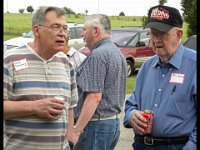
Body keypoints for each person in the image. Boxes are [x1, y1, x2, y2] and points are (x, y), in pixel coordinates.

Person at [3, 6, 78, 150]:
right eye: (56, 27)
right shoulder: (10, 59)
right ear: (36, 30)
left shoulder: (66, 62)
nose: (63, 34)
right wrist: (34, 107)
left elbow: (70, 106)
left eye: (65, 28)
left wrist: (69, 139)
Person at [123, 5, 196, 150]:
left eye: (161, 34)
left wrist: (191, 147)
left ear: (179, 34)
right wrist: (132, 116)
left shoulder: (193, 65)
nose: (155, 40)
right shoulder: (146, 66)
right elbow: (131, 104)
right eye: (152, 34)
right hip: (141, 145)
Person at [73, 14, 127, 150]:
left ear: (96, 31)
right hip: (111, 124)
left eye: (85, 29)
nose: (82, 33)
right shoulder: (117, 52)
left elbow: (94, 97)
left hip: (96, 127)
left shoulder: (98, 55)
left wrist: (77, 130)